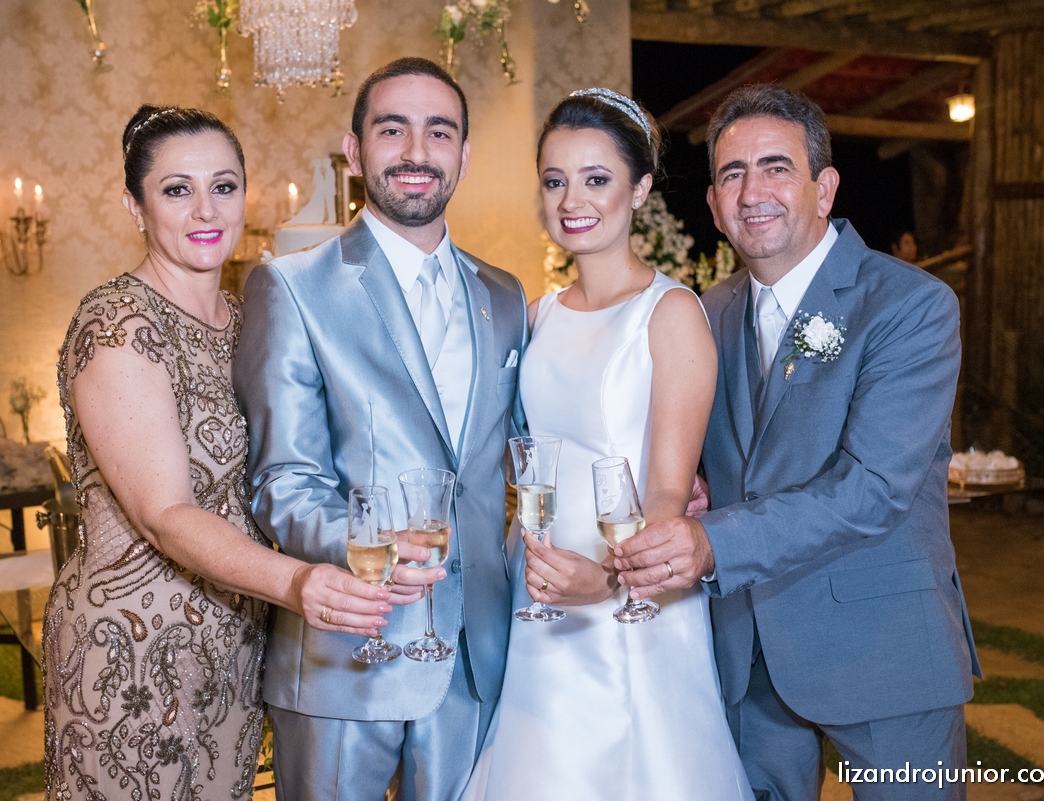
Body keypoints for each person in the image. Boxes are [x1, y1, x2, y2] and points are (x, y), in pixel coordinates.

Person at [614, 83, 981, 800]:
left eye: (776, 167)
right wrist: (697, 486)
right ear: (715, 205)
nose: (754, 191)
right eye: (732, 173)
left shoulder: (911, 306)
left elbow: (873, 489)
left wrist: (712, 540)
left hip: (883, 647)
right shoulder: (703, 311)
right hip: (746, 653)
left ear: (825, 185)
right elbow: (725, 450)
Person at [42, 105, 392, 801]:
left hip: (233, 648)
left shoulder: (244, 316)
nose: (206, 208)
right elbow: (165, 513)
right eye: (176, 189)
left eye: (224, 186)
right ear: (133, 205)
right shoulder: (118, 324)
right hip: (130, 660)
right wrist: (298, 583)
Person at [233, 58, 527, 801]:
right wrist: (370, 552)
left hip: (474, 651)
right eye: (392, 129)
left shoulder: (506, 294)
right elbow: (283, 480)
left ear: (463, 154)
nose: (416, 151)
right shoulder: (292, 286)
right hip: (346, 651)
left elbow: (519, 451)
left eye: (439, 131)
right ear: (355, 149)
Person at [462, 89, 753, 801]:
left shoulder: (672, 313)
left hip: (630, 600)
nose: (572, 199)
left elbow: (666, 491)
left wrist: (606, 578)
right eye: (556, 180)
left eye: (596, 179)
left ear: (642, 187)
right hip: (538, 592)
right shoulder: (537, 315)